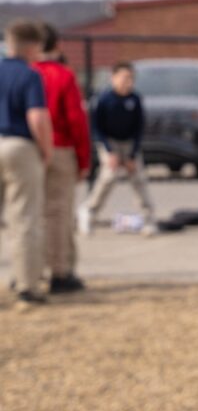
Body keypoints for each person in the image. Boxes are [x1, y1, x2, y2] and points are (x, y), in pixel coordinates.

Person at [33, 22, 91, 293]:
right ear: (57, 45)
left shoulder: (21, 72)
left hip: (26, 149)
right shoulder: (62, 75)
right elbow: (75, 120)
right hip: (59, 147)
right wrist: (84, 159)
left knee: (28, 214)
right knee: (59, 213)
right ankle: (60, 271)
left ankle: (28, 272)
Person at [1, 19, 53, 307]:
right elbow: (37, 116)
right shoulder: (29, 75)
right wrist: (45, 149)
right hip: (19, 146)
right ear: (32, 46)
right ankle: (27, 286)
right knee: (24, 219)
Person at [78, 61, 157, 237]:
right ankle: (89, 212)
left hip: (128, 143)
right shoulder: (104, 99)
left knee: (138, 178)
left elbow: (138, 128)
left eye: (130, 78)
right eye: (123, 77)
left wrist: (131, 155)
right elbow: (96, 128)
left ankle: (149, 219)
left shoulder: (134, 99)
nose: (127, 81)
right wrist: (110, 152)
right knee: (109, 176)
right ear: (113, 78)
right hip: (109, 142)